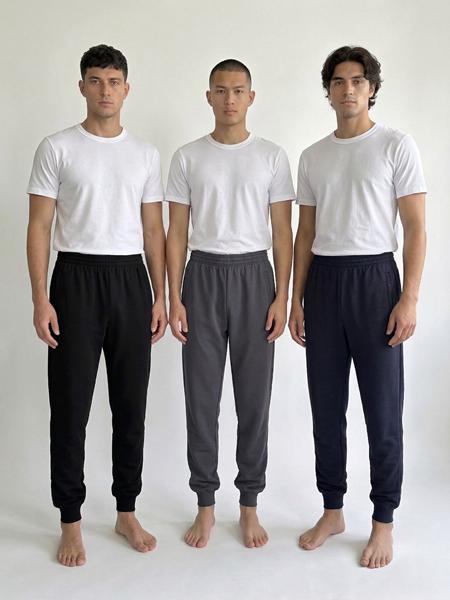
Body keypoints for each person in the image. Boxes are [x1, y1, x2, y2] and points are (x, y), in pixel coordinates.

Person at [26, 44, 167, 567]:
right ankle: (71, 521)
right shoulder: (57, 147)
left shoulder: (145, 154)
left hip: (131, 280)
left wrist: (161, 294)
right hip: (75, 280)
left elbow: (153, 230)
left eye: (113, 81)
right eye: (95, 80)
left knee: (131, 405)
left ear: (126, 89)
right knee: (70, 408)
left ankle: (126, 511)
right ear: (81, 86)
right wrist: (41, 298)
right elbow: (40, 225)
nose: (105, 90)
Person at [289, 46, 426, 568]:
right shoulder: (313, 156)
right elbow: (305, 234)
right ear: (328, 91)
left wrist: (408, 297)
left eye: (358, 80)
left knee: (383, 412)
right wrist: (297, 299)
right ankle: (332, 510)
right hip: (324, 284)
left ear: (372, 88)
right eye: (338, 81)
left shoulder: (395, 145)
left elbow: (415, 227)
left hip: (376, 282)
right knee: (326, 408)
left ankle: (383, 521)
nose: (348, 89)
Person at [166, 59, 295, 548]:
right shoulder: (187, 157)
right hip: (201, 275)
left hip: (254, 277)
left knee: (253, 400)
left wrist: (282, 295)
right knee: (201, 399)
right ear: (209, 97)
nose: (229, 99)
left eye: (238, 90)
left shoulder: (272, 156)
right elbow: (176, 232)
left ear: (251, 97)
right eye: (220, 90)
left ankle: (248, 505)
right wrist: (174, 295)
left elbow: (282, 232)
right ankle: (205, 505)